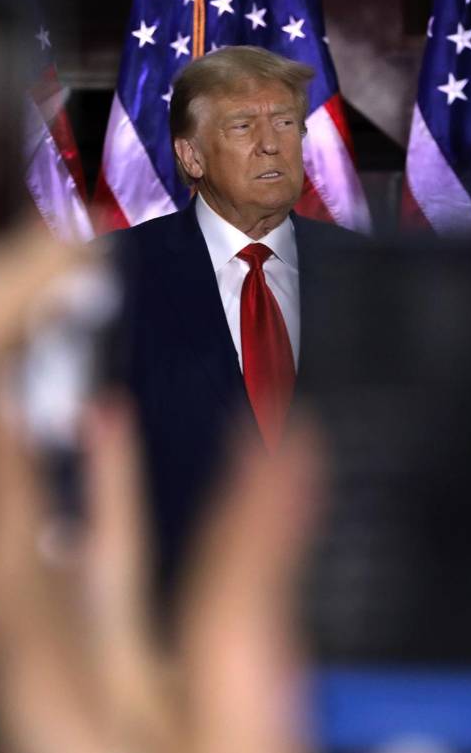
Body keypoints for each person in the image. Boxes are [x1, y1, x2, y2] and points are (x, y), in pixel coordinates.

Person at [102, 45, 363, 603]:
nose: (271, 143)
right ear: (192, 157)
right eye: (243, 126)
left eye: (287, 123)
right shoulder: (117, 277)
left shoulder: (366, 276)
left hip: (341, 623)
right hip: (172, 617)